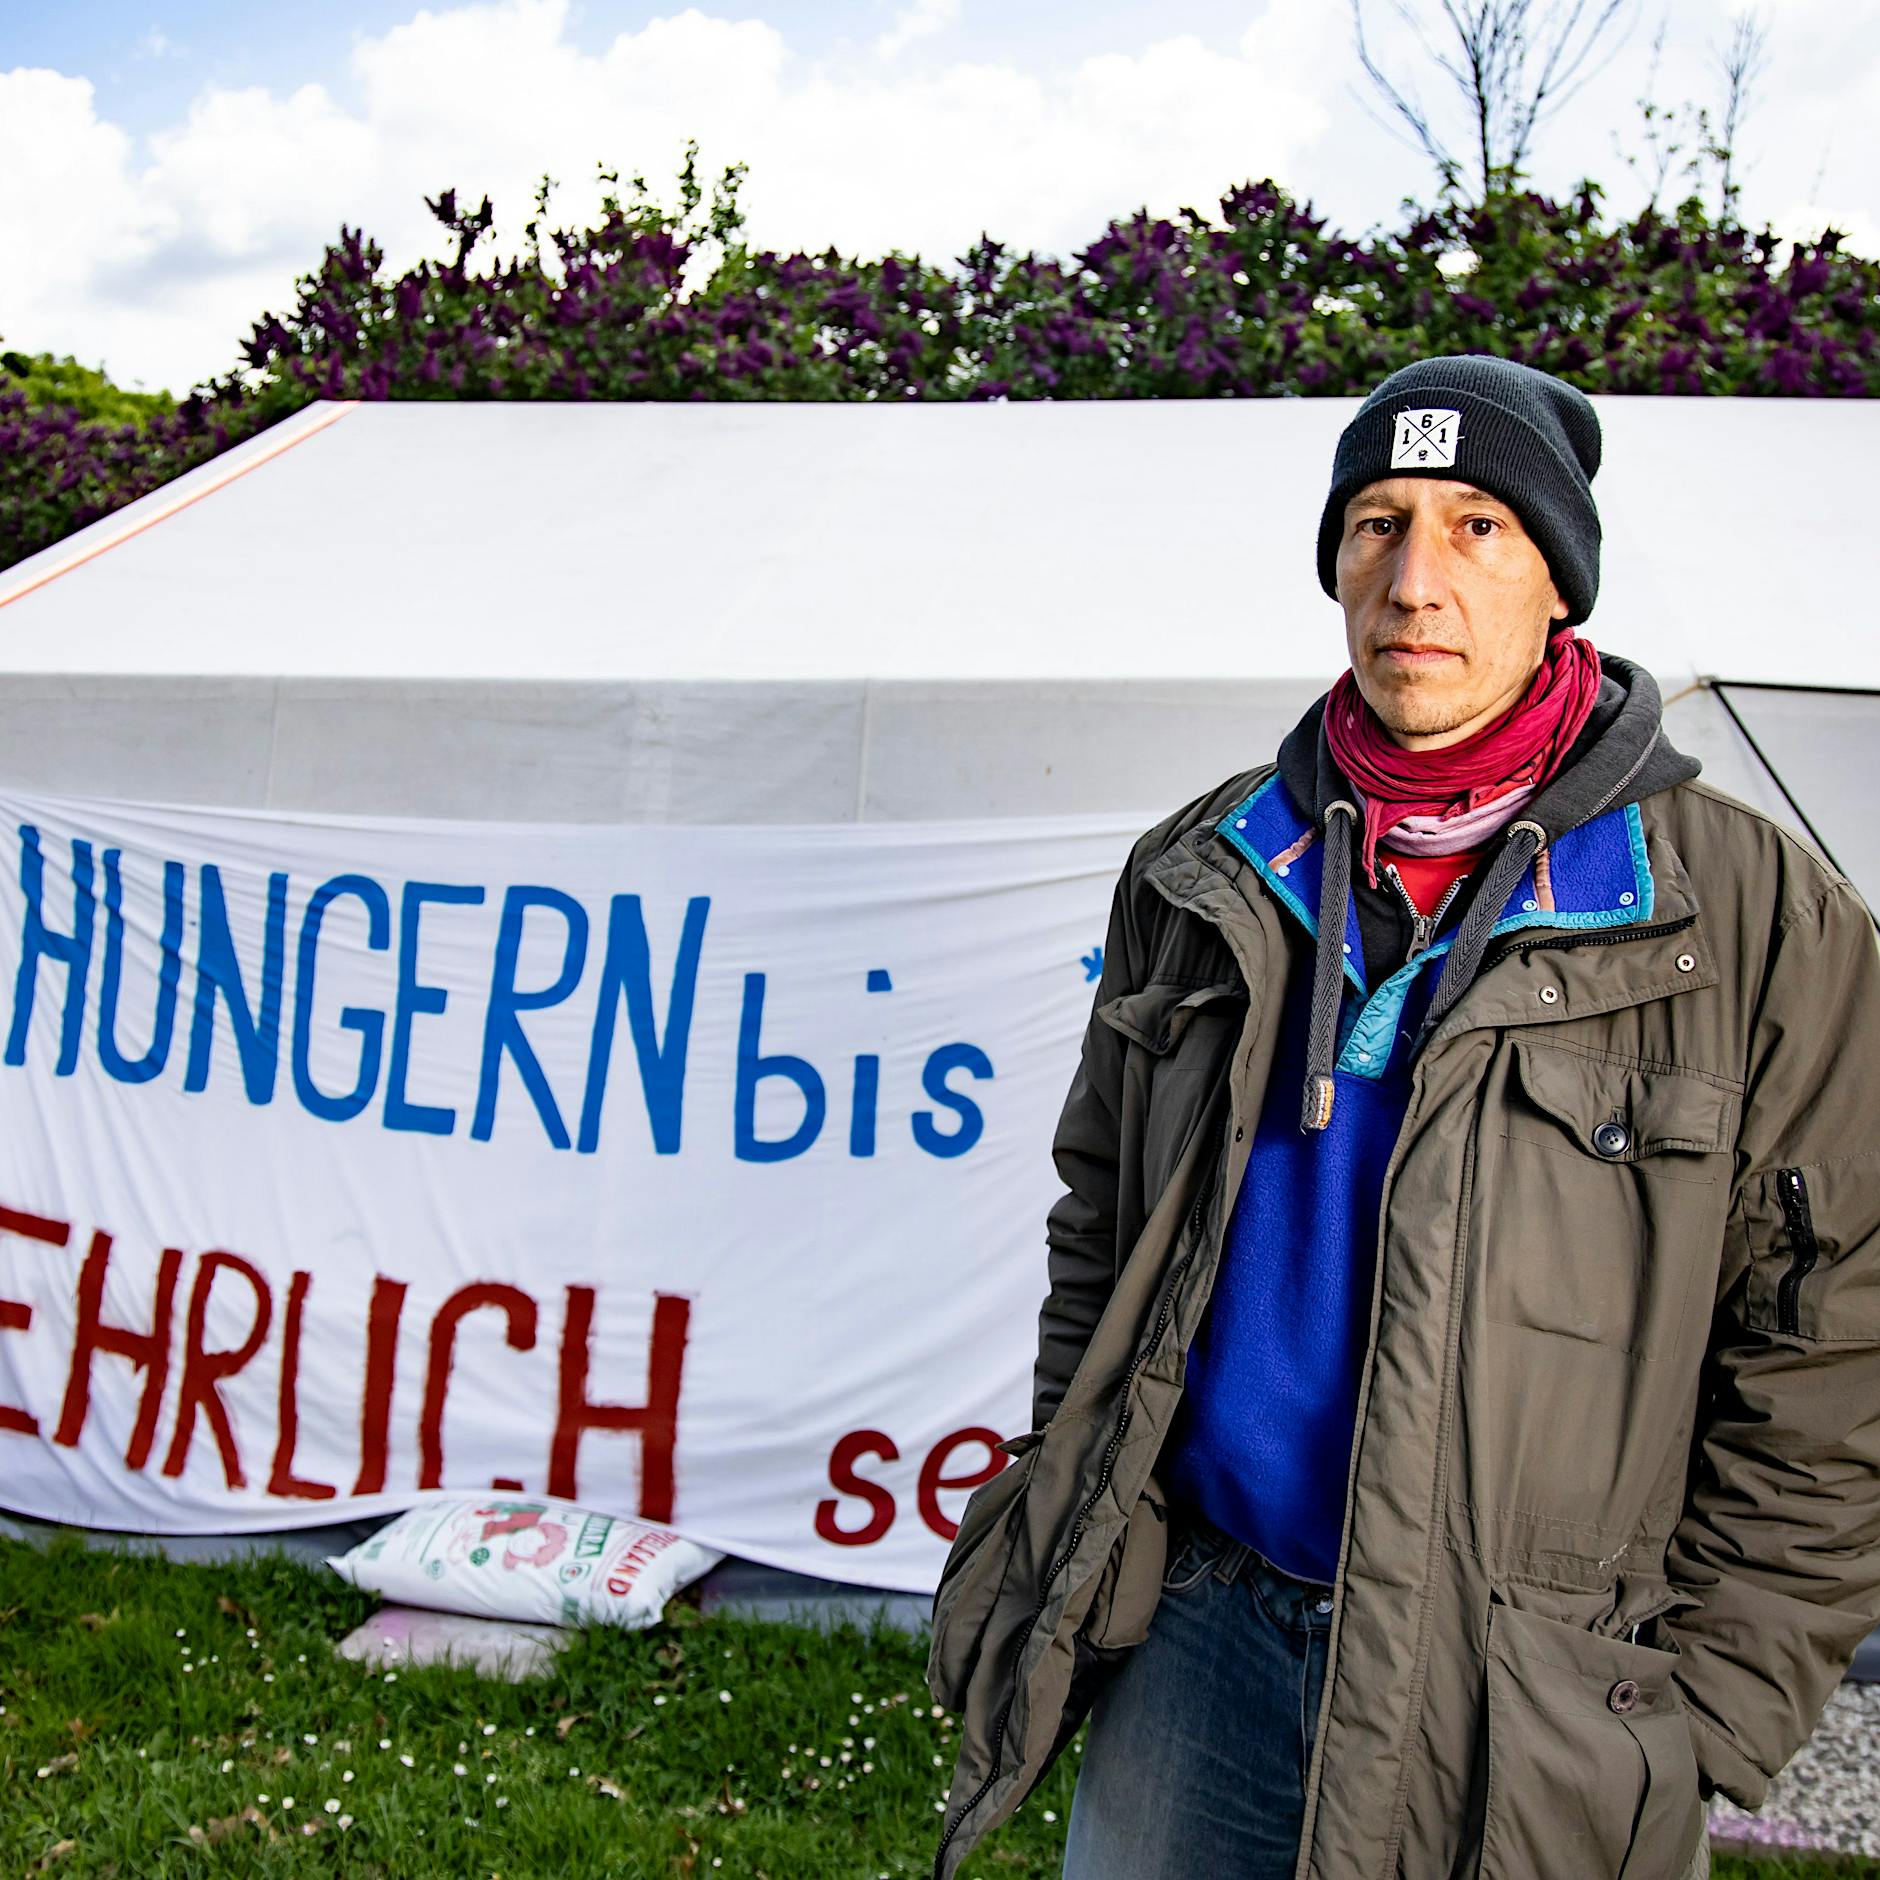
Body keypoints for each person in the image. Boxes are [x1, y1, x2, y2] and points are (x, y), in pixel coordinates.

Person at [925, 353, 1880, 1880]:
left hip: (1532, 1693)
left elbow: (1833, 1348)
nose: (1414, 580)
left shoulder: (1753, 918)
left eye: (1478, 526)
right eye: (1376, 523)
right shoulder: (1209, 865)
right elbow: (1102, 1223)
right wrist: (1087, 1492)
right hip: (1203, 1634)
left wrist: (1705, 1707)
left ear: (1559, 582)